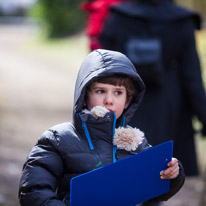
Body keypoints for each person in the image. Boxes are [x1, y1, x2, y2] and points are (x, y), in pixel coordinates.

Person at [18, 49, 185, 206]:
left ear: (128, 101)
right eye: (100, 91)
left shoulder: (136, 142)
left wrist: (173, 174)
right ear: (84, 97)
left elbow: (155, 192)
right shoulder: (57, 139)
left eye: (118, 92)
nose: (109, 100)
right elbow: (33, 191)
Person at [99, 0, 206, 180]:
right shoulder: (181, 20)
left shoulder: (119, 17)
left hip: (127, 100)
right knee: (164, 172)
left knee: (127, 172)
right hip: (170, 105)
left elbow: (105, 66)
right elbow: (192, 76)